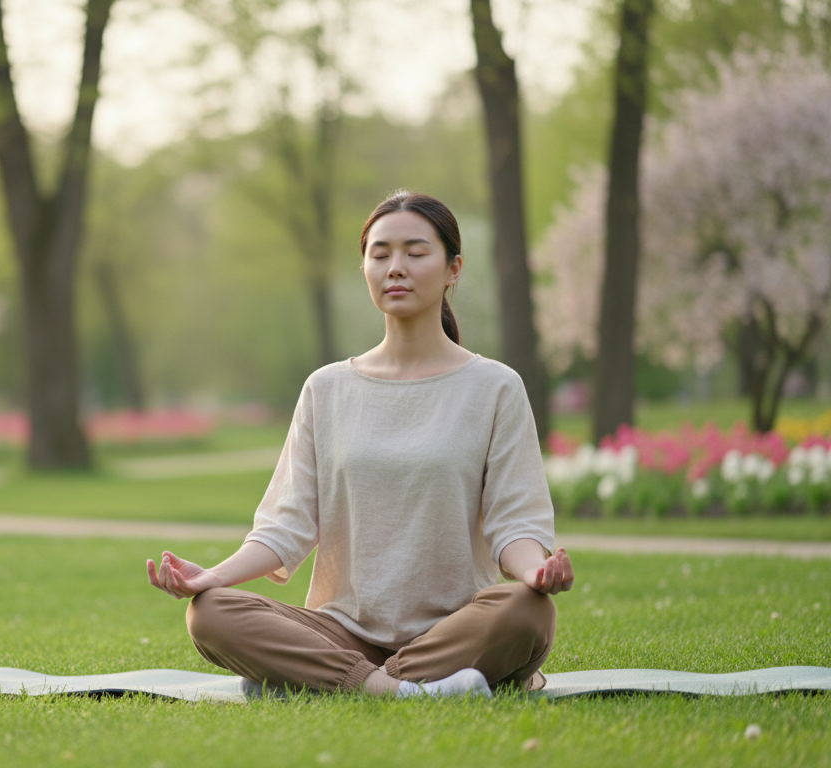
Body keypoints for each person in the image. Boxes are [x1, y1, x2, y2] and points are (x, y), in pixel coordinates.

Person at [146, 191, 574, 698]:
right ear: (365, 267)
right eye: (380, 254)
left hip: (455, 629)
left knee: (528, 610)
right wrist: (210, 576)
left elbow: (514, 524)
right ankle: (395, 688)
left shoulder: (495, 387)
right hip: (340, 633)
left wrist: (536, 571)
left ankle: (319, 682)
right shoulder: (326, 388)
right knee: (212, 612)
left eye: (416, 253)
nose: (396, 268)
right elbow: (285, 527)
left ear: (453, 268)